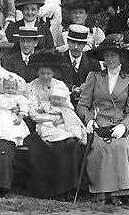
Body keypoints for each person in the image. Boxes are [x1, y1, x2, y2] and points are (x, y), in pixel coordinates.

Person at [77, 34, 129, 204]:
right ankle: (100, 192)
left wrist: (124, 126)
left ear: (121, 57)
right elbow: (82, 105)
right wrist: (89, 120)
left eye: (113, 55)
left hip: (119, 125)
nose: (109, 58)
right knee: (99, 147)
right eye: (106, 55)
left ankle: (118, 193)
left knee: (120, 146)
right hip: (98, 124)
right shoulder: (94, 76)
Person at [24, 52, 87, 200]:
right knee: (51, 146)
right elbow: (33, 114)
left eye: (48, 73)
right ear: (37, 72)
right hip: (42, 125)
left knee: (71, 144)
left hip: (63, 122)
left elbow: (69, 108)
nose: (45, 76)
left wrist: (61, 119)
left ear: (54, 72)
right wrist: (52, 119)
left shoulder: (60, 85)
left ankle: (69, 189)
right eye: (42, 73)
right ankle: (52, 190)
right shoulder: (31, 87)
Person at [57, 25, 103, 105]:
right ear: (67, 41)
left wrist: (86, 87)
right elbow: (55, 83)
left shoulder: (94, 64)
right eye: (73, 42)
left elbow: (99, 87)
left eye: (79, 43)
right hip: (62, 104)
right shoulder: (58, 61)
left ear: (85, 44)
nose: (75, 47)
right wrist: (73, 88)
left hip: (87, 105)